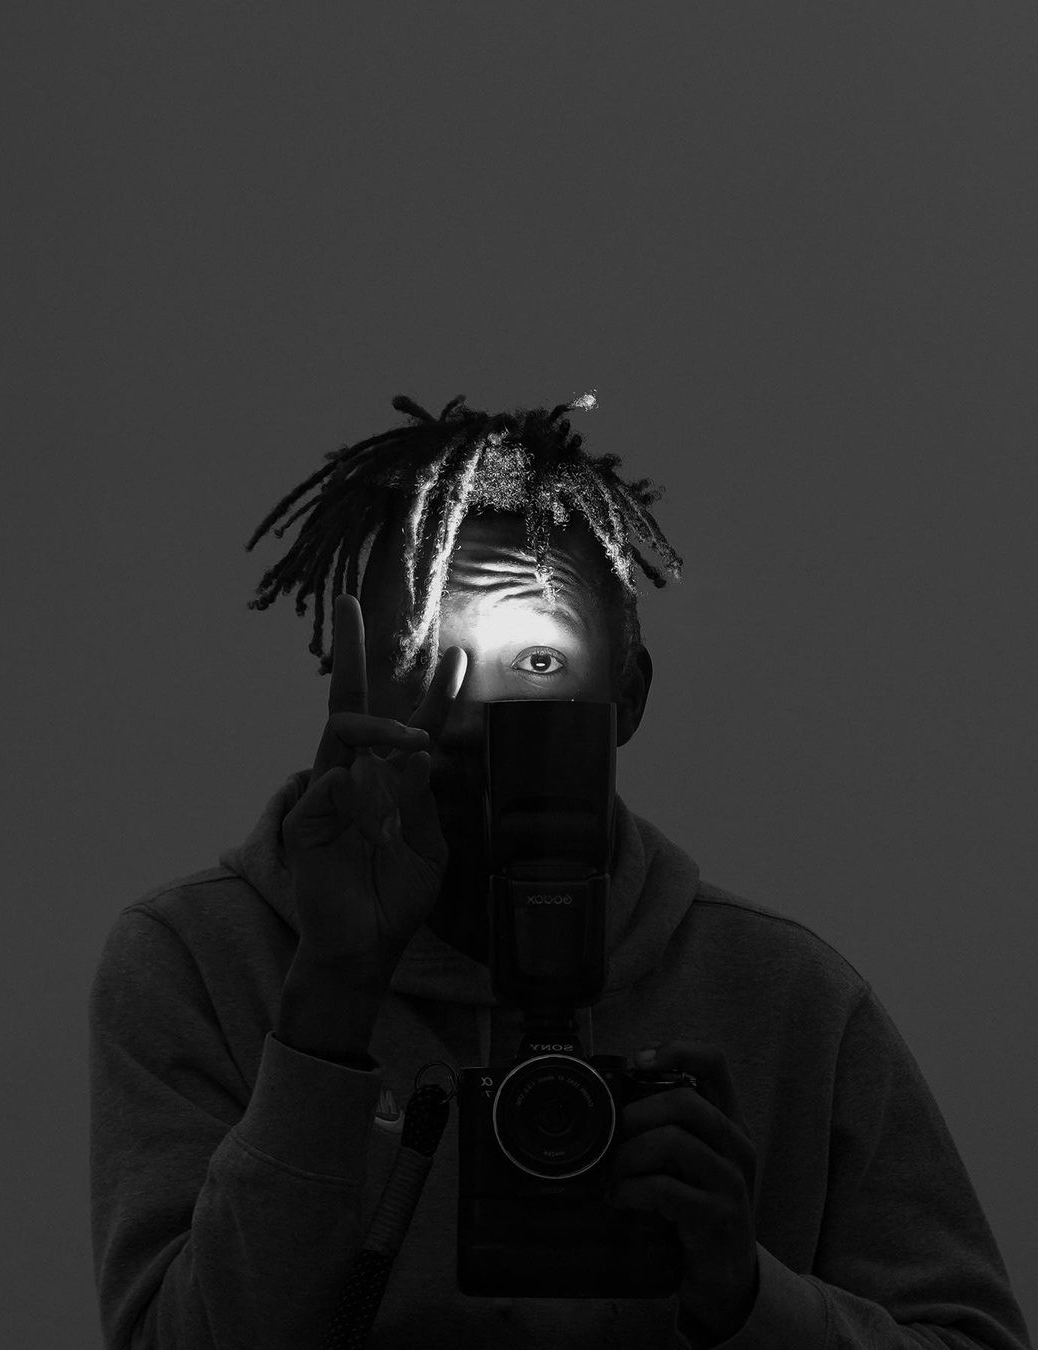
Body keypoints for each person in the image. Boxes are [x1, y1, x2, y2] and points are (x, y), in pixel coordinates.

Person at [88, 394, 1032, 1349]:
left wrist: (745, 1295)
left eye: (537, 659)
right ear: (350, 674)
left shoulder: (786, 998)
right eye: (423, 657)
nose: (468, 716)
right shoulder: (200, 962)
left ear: (629, 698)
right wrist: (330, 998)